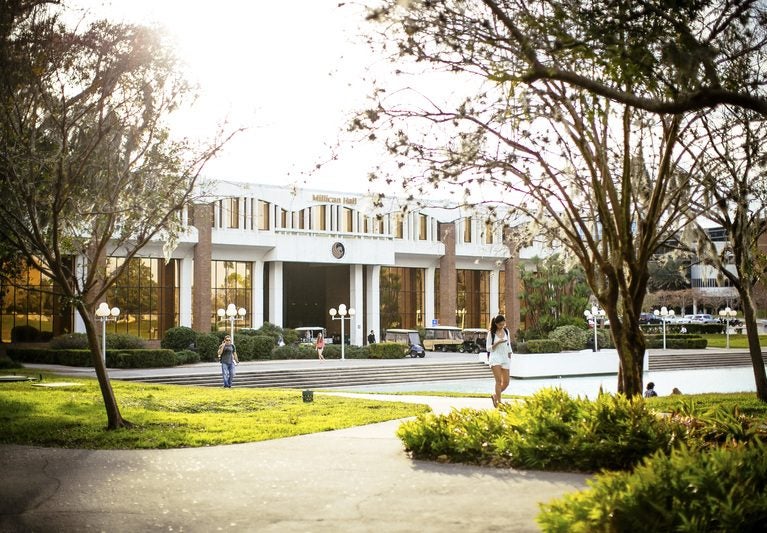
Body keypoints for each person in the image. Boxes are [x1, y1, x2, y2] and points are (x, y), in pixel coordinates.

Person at [486, 314, 512, 408]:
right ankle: (499, 402)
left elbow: (509, 345)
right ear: (496, 324)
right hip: (495, 358)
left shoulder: (506, 331)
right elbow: (488, 348)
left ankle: (495, 396)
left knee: (506, 382)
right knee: (498, 381)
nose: (502, 326)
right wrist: (497, 342)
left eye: (503, 323)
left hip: (505, 358)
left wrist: (510, 356)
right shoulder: (491, 333)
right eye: (500, 324)